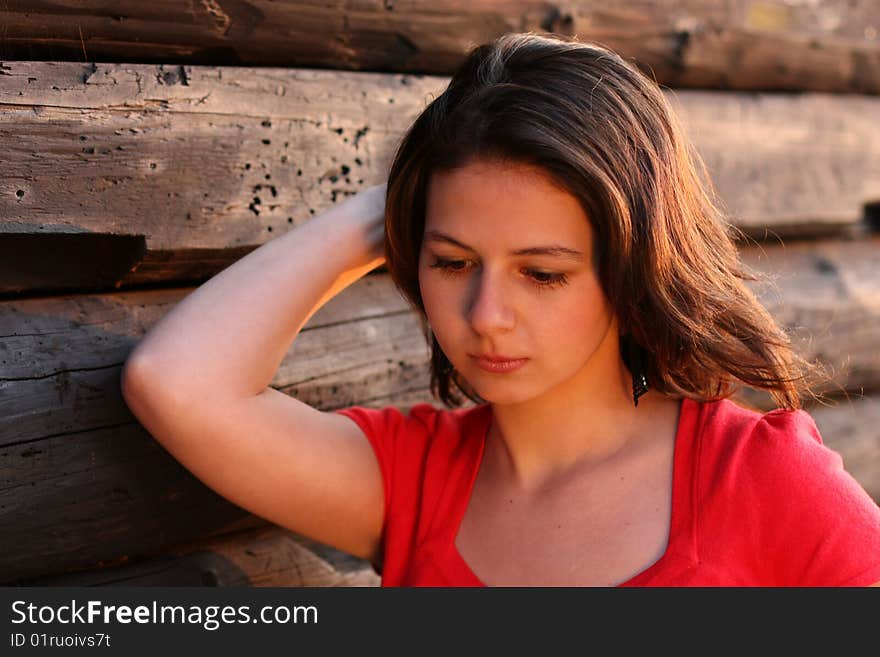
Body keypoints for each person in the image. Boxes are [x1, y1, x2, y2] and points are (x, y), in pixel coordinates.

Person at [121, 32, 880, 586]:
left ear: (635, 268)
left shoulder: (760, 479)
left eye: (542, 273)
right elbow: (177, 384)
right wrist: (390, 208)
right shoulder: (412, 482)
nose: (486, 314)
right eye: (452, 262)